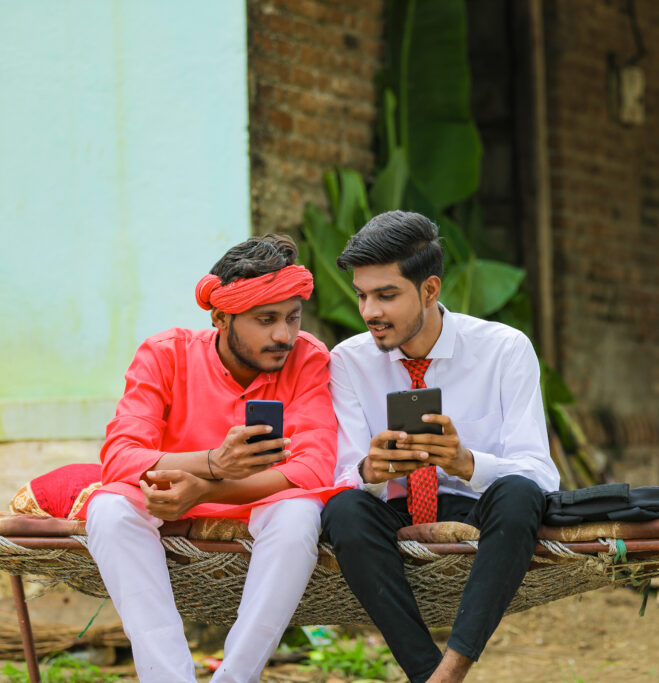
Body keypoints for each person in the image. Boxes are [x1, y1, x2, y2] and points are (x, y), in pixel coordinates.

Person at [82, 235, 341, 682]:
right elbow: (121, 455)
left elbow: (313, 467)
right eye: (266, 320)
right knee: (108, 510)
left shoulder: (307, 358)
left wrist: (210, 486)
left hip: (259, 502)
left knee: (300, 514)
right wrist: (209, 464)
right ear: (222, 317)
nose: (284, 335)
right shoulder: (165, 354)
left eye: (292, 318)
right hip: (170, 496)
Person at [322, 211, 560, 683]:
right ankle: (431, 674)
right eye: (362, 295)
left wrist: (466, 461)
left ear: (430, 290)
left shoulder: (504, 350)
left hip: (481, 510)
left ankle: (450, 671)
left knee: (518, 494)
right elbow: (341, 476)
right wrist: (372, 469)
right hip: (394, 511)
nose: (370, 311)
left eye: (386, 295)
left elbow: (539, 474)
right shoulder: (348, 361)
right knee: (344, 509)